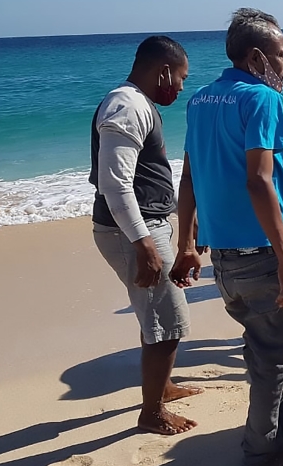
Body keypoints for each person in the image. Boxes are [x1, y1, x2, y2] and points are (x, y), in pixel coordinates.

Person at [170, 8, 283, 466]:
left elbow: (188, 178)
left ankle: (282, 415)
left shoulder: (201, 100)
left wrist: (186, 244)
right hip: (262, 252)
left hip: (225, 258)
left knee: (262, 342)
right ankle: (261, 447)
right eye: (282, 55)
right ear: (256, 56)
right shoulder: (262, 99)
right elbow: (260, 181)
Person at [89, 35, 201, 436]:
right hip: (130, 233)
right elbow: (115, 185)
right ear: (164, 69)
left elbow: (144, 181)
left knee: (155, 315)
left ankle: (163, 387)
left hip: (142, 227)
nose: (182, 87)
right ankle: (151, 412)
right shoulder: (127, 105)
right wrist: (144, 244)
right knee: (168, 323)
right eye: (182, 77)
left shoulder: (138, 103)